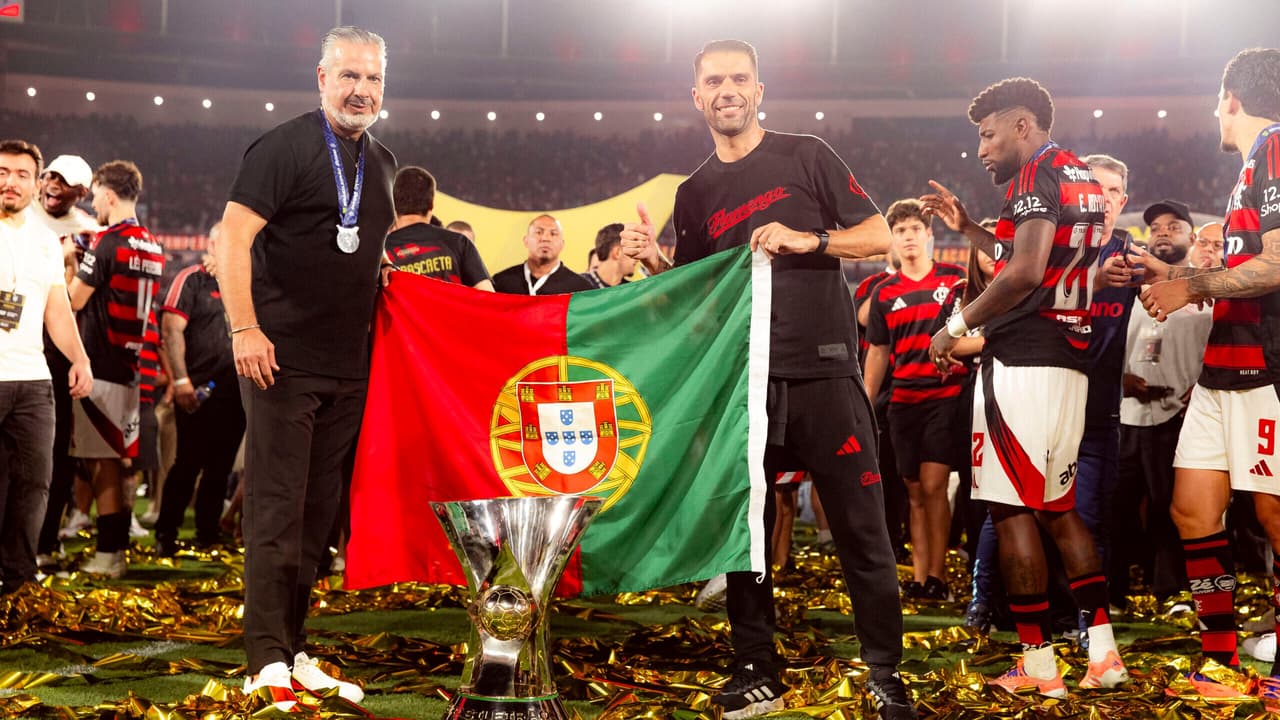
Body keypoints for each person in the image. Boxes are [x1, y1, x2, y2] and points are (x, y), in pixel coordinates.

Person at [621, 39, 915, 720]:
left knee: (862, 533)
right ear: (696, 96)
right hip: (744, 385)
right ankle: (756, 667)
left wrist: (811, 239)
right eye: (713, 81)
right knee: (744, 534)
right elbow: (699, 297)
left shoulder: (806, 155)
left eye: (739, 79)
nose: (726, 90)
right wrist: (655, 264)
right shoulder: (694, 193)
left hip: (825, 373)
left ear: (758, 91)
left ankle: (884, 672)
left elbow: (878, 236)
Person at [923, 77, 1128, 695]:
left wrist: (953, 327)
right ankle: (1104, 656)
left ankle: (1039, 668)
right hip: (1067, 360)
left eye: (988, 136)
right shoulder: (1078, 174)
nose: (981, 150)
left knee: (1011, 511)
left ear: (1022, 126)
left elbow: (1025, 273)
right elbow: (1033, 257)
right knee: (1059, 510)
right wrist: (970, 228)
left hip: (1022, 363)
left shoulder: (1034, 175)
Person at [217, 25, 396, 708]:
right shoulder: (282, 147)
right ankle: (264, 660)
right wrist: (245, 327)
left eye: (373, 78)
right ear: (322, 78)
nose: (361, 89)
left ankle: (293, 649)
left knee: (318, 517)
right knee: (276, 508)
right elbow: (233, 238)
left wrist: (385, 277)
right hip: (279, 360)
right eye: (349, 75)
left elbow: (359, 249)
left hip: (349, 367)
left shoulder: (383, 161)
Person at [1137, 47, 1280, 706]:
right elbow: (1247, 268)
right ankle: (1221, 662)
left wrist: (1191, 284)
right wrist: (1183, 271)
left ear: (1231, 98)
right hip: (1220, 372)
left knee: (1274, 513)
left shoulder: (1275, 146)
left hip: (1264, 367)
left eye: (1216, 101)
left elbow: (1278, 264)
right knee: (1192, 511)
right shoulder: (1250, 167)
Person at [0, 139, 93, 593]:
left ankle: (19, 580)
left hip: (34, 380)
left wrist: (80, 358)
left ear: (36, 183)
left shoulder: (44, 241)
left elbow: (57, 310)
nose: (10, 182)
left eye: (21, 174)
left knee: (35, 483)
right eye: (2, 172)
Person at [863, 198, 966, 600]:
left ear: (929, 235)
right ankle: (922, 578)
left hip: (945, 396)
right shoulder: (884, 293)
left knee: (935, 485)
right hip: (903, 402)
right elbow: (878, 352)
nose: (908, 237)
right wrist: (865, 402)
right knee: (914, 492)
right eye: (901, 231)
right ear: (892, 238)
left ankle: (939, 576)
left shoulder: (955, 280)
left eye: (915, 230)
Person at [1112, 201, 1213, 604]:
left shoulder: (1206, 290)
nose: (1162, 233)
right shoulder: (1126, 291)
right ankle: (1116, 587)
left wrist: (1205, 384)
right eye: (1155, 227)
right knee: (1118, 505)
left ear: (1192, 237)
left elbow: (1223, 344)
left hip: (1182, 414)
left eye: (1173, 226)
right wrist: (1120, 379)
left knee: (1170, 505)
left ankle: (1171, 588)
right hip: (1127, 413)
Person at [66, 160, 163, 578]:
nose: (94, 205)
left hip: (101, 363)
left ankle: (110, 554)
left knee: (102, 463)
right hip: (131, 364)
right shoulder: (152, 243)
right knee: (116, 461)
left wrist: (69, 262)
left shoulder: (108, 241)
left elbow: (74, 300)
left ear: (108, 194)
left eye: (95, 197)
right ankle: (115, 550)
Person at [153, 222, 246, 557]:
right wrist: (180, 380)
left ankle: (208, 533)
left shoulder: (245, 281)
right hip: (198, 388)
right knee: (188, 462)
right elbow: (171, 330)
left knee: (220, 466)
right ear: (211, 245)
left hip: (235, 390)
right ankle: (166, 532)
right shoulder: (192, 278)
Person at [28, 153, 100, 567]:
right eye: (51, 175)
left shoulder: (89, 234)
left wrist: (71, 263)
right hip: (15, 348)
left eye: (65, 181)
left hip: (57, 353)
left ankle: (44, 541)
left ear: (81, 192)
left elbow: (73, 303)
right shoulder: (17, 217)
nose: (54, 184)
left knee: (53, 453)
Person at [384, 166, 492, 289]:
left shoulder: (380, 252)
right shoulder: (458, 243)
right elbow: (487, 294)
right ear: (432, 205)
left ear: (393, 205)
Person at [491, 214, 592, 294]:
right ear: (526, 241)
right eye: (539, 232)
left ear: (562, 244)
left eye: (553, 234)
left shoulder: (581, 289)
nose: (545, 238)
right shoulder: (500, 283)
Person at [582, 223, 636, 288]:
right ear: (617, 253)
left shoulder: (632, 289)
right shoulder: (578, 286)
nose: (637, 259)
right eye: (632, 251)